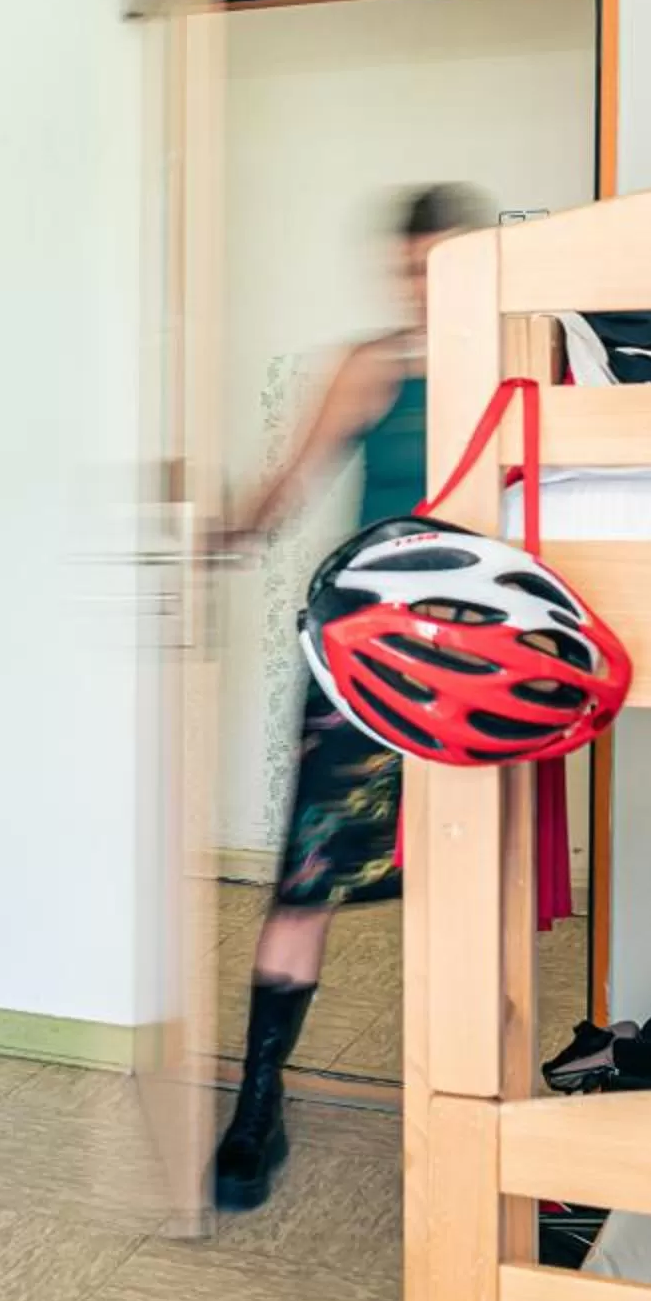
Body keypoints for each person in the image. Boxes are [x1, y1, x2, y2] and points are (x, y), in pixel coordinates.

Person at [209, 181, 490, 1213]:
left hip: (475, 668)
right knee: (306, 885)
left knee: (472, 897)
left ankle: (467, 1114)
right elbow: (283, 488)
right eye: (413, 269)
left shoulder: (520, 369)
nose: (425, 288)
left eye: (445, 269)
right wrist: (216, 535)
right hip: (362, 656)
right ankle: (256, 1106)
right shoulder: (371, 368)